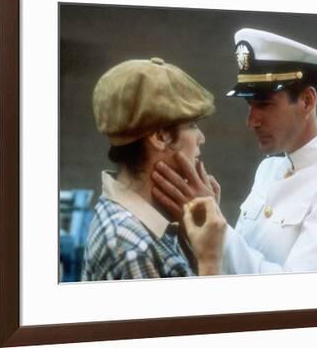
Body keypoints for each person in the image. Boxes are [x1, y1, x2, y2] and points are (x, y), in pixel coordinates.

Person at [152, 28, 317, 274]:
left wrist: (218, 230)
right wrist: (210, 227)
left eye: (264, 104)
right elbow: (239, 265)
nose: (251, 121)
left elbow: (295, 296)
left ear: (307, 101)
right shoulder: (269, 168)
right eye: (250, 105)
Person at [82, 57, 227, 281]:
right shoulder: (131, 247)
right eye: (192, 125)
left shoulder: (143, 222)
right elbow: (196, 318)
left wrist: (193, 233)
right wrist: (210, 260)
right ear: (161, 137)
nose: (201, 138)